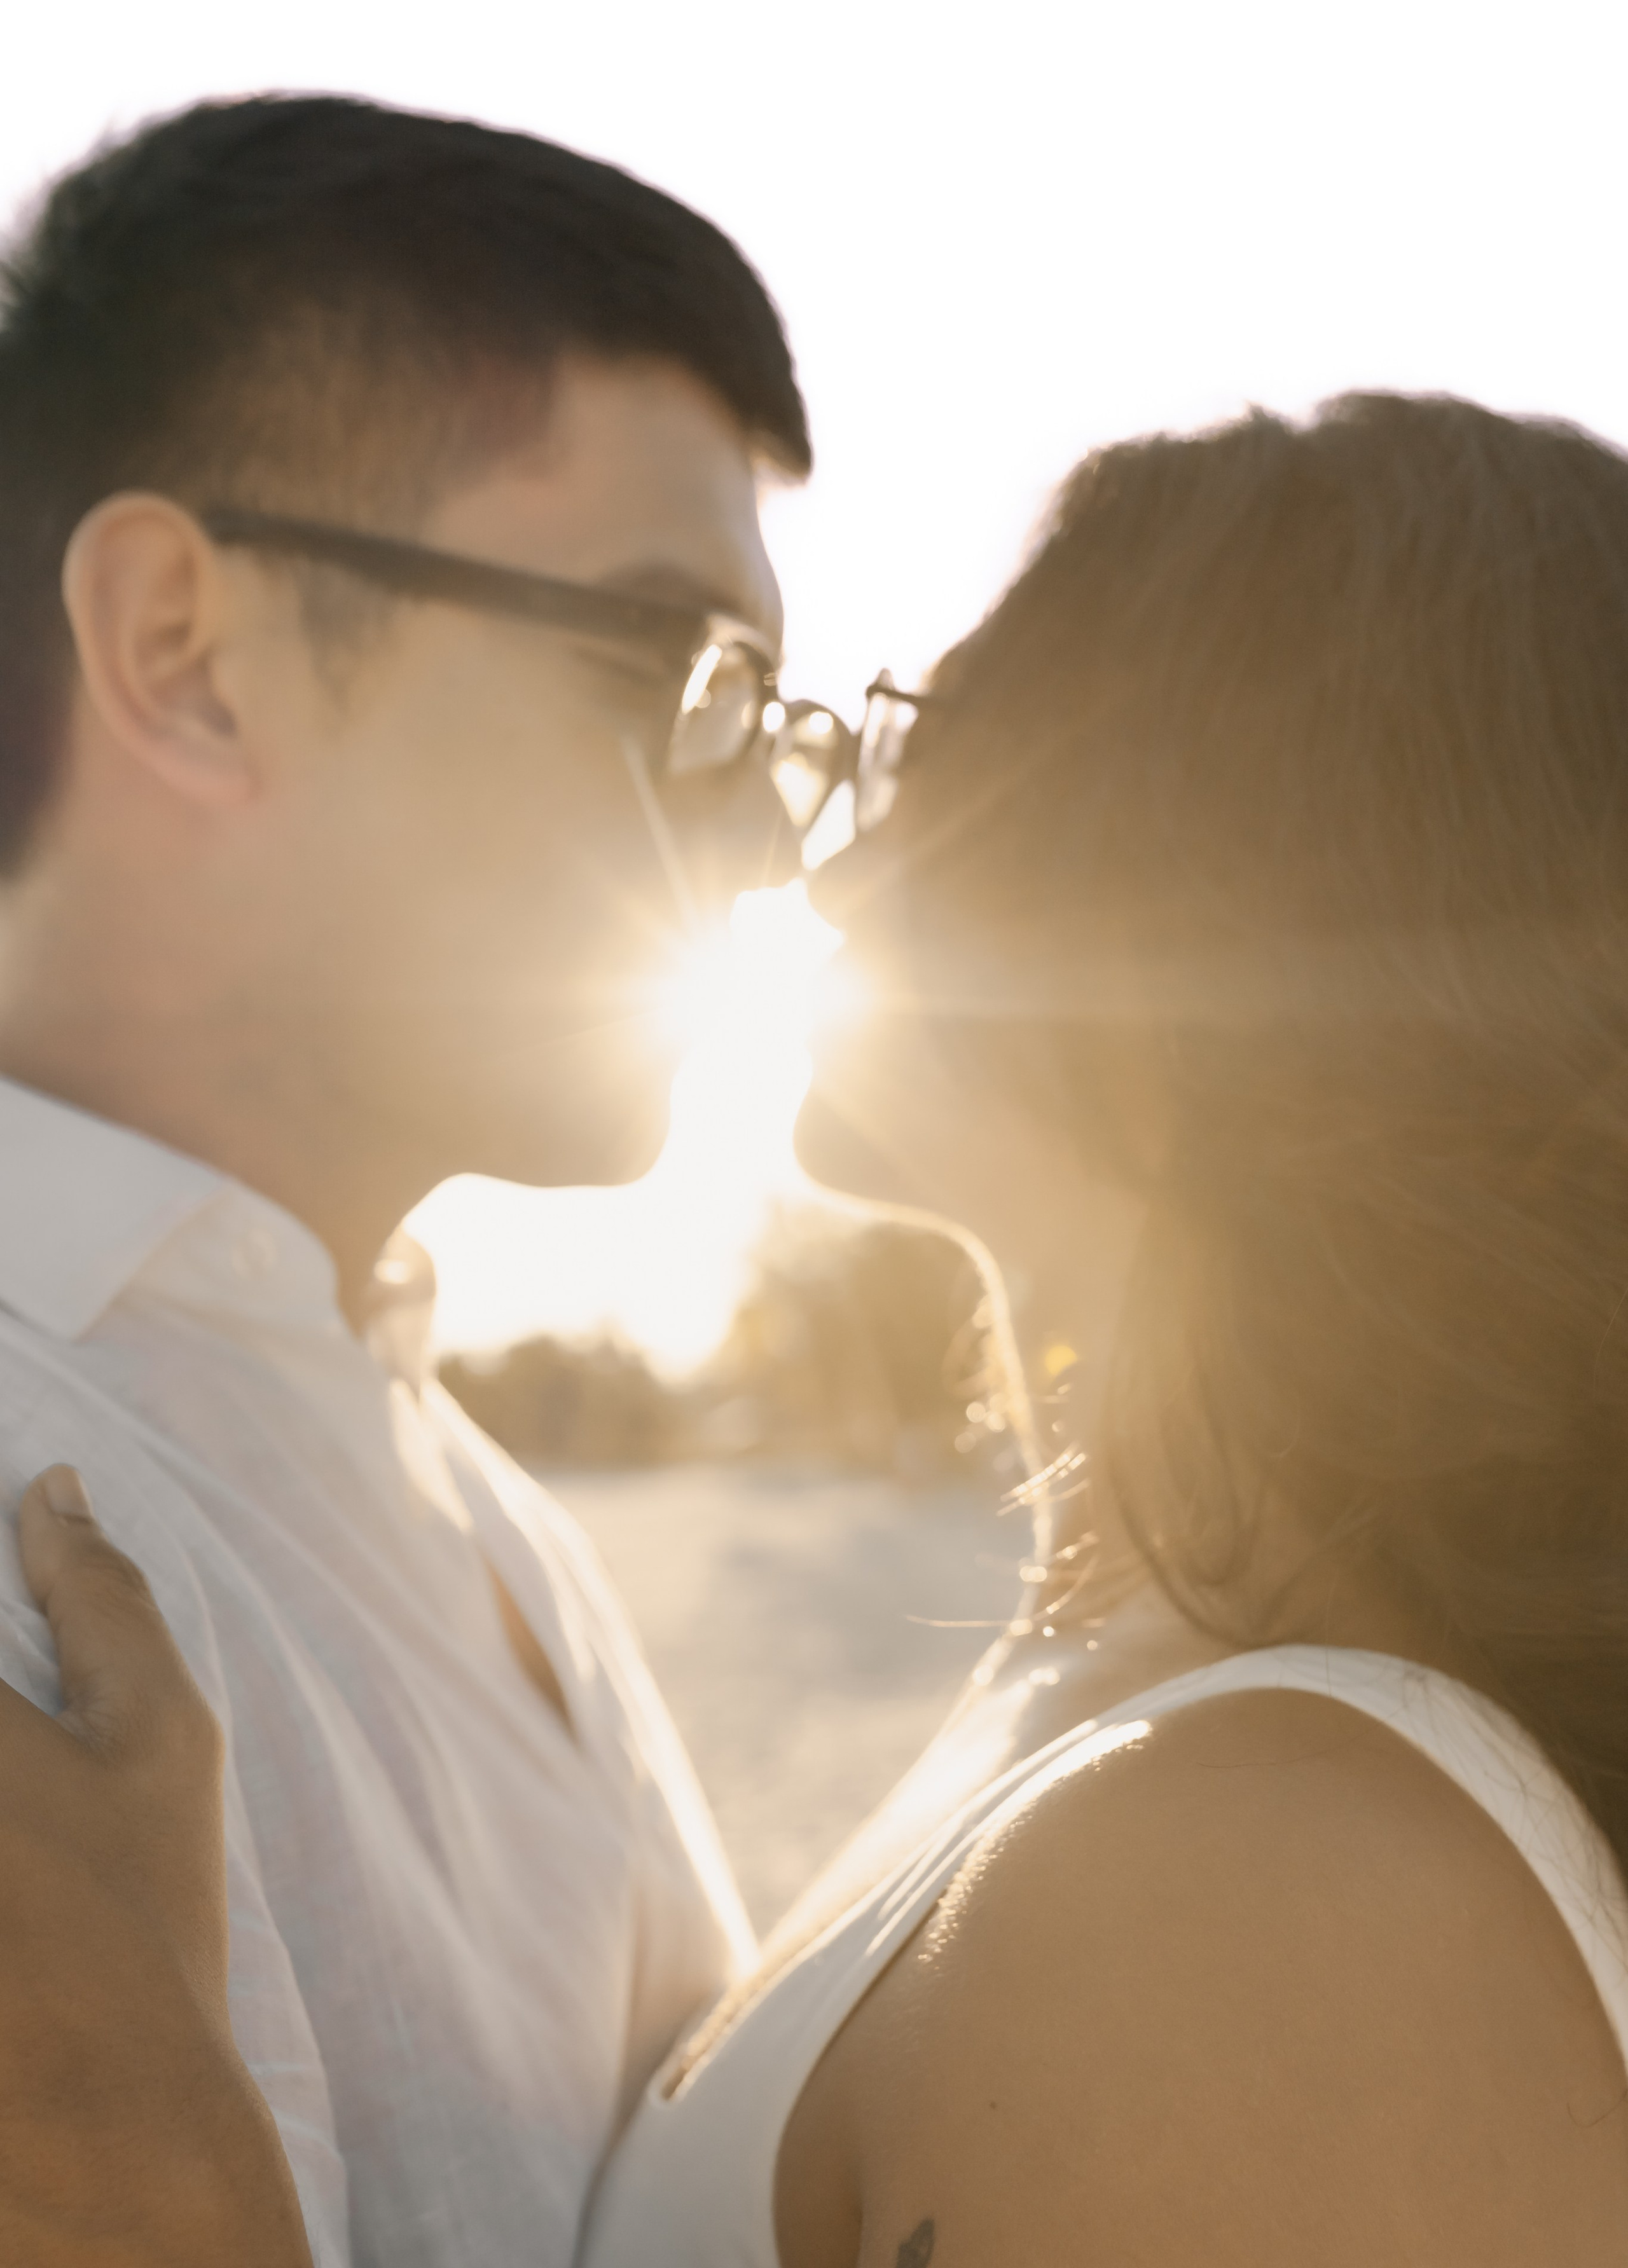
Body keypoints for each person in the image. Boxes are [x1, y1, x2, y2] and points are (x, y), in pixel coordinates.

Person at [15, 390, 1628, 2263]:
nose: (817, 861)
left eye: (931, 751)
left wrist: (170, 2200)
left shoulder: (1277, 1884)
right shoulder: (1156, 1700)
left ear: (1239, 880)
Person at [0, 90, 818, 2266]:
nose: (762, 825)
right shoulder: (35, 1487)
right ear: (184, 654)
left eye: (780, 713)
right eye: (680, 676)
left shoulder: (493, 1522)